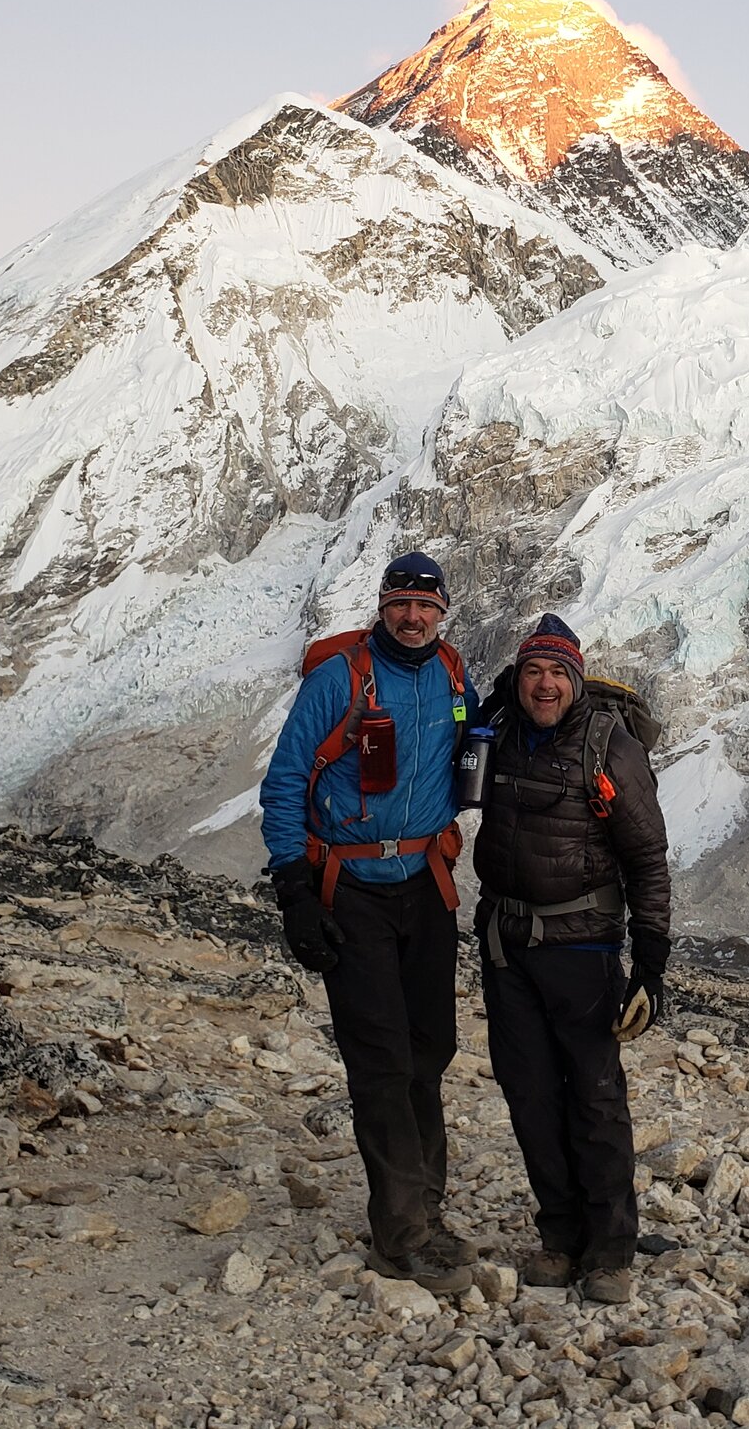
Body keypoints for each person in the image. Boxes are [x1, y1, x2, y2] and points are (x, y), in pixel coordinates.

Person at [259, 553, 478, 1294]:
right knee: (382, 1060)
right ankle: (400, 1234)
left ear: (442, 610)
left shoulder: (451, 678)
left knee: (431, 1047)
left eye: (424, 605)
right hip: (350, 885)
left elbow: (479, 747)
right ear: (382, 606)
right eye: (399, 603)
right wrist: (295, 888)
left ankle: (428, 1209)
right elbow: (286, 779)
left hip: (425, 882)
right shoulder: (339, 679)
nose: (412, 616)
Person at [472, 613, 671, 1305]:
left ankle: (611, 1248)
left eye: (557, 671)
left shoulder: (606, 745)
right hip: (505, 945)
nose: (545, 683)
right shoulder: (496, 731)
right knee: (528, 1093)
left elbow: (646, 857)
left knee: (593, 1095)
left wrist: (650, 963)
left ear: (576, 678)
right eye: (532, 670)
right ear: (518, 676)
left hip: (581, 948)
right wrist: (492, 694)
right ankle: (560, 1236)